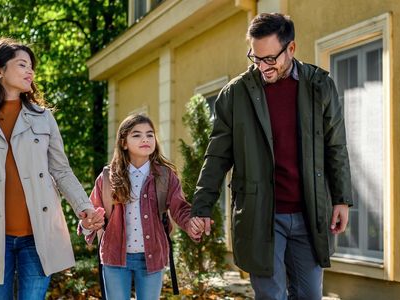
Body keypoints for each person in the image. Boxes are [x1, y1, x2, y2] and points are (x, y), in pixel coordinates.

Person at [190, 13, 353, 300]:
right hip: (260, 215)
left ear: (291, 48)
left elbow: (335, 146)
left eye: (270, 59)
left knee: (309, 295)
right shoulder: (236, 94)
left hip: (310, 212)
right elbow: (216, 155)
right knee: (270, 296)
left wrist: (341, 198)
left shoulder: (320, 86)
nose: (262, 66)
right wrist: (202, 207)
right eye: (255, 57)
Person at [0, 38, 104, 299]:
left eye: (32, 67)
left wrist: (84, 207)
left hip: (39, 235)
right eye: (22, 64)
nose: (31, 72)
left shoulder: (43, 118)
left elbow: (61, 171)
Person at [78, 114, 203, 300]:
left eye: (150, 134)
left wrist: (190, 223)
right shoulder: (107, 178)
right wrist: (89, 223)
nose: (145, 138)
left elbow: (180, 207)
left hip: (152, 257)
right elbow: (90, 215)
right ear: (124, 143)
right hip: (114, 258)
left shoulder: (165, 176)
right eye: (136, 135)